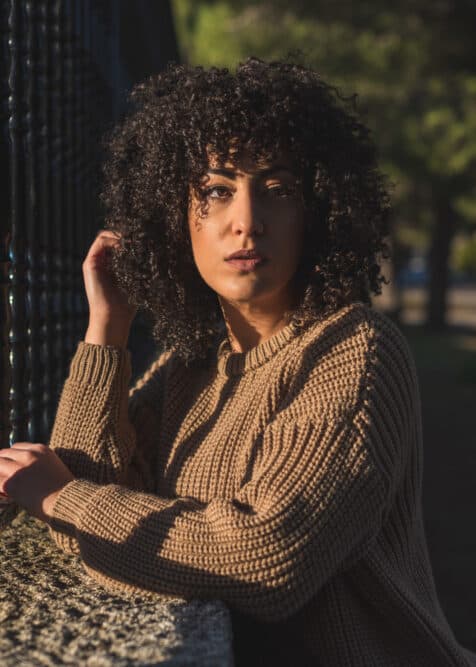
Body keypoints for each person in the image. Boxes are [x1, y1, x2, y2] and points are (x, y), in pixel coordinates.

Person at [0, 58, 474, 667]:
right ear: (175, 215)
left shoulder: (354, 351)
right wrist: (107, 329)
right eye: (217, 190)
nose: (246, 222)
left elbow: (268, 559)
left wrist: (61, 501)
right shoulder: (192, 362)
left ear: (318, 212)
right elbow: (87, 481)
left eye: (278, 190)